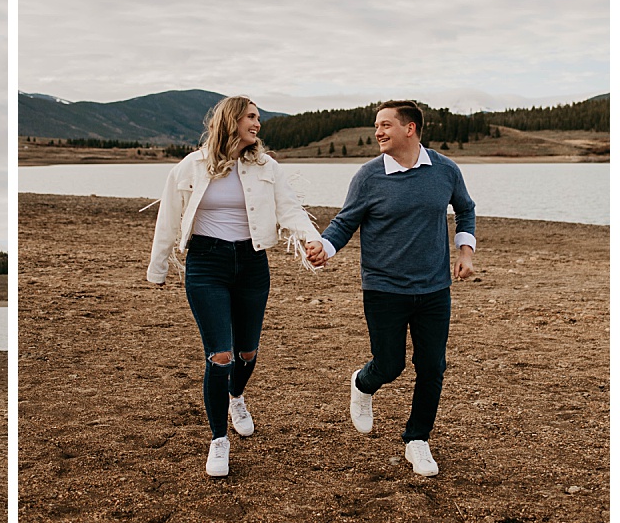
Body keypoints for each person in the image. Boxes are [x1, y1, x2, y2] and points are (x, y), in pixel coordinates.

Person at [147, 96, 326, 478]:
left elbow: (289, 208)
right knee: (220, 355)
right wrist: (158, 269)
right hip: (206, 264)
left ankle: (237, 397)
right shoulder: (190, 167)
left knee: (247, 352)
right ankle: (218, 440)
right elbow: (169, 218)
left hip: (251, 263)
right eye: (251, 117)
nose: (258, 124)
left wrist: (311, 240)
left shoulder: (266, 167)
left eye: (259, 118)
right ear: (231, 121)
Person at [309, 101, 476, 478]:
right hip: (383, 288)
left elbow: (465, 208)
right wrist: (326, 248)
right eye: (376, 126)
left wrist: (465, 250)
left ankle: (417, 440)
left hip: (434, 288)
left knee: (432, 366)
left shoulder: (445, 170)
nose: (378, 132)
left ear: (410, 129)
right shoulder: (369, 176)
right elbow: (344, 221)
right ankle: (362, 383)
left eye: (385, 125)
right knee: (390, 364)